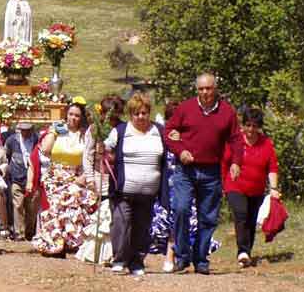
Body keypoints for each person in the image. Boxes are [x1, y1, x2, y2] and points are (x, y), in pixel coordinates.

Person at [165, 73, 243, 275]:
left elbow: (236, 140)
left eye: (208, 88)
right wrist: (180, 150)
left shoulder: (227, 112)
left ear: (215, 88)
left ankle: (201, 259)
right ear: (196, 90)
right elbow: (169, 132)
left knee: (207, 217)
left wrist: (236, 162)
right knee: (181, 209)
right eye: (201, 89)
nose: (205, 93)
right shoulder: (185, 108)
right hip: (186, 170)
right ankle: (182, 257)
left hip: (212, 171)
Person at [150, 99, 221, 272]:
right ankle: (172, 255)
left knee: (189, 218)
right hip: (168, 182)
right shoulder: (162, 136)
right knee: (171, 218)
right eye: (170, 118)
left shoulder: (190, 136)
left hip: (189, 181)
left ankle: (189, 257)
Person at [102, 92, 166, 276]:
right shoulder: (121, 131)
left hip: (148, 192)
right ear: (131, 114)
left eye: (144, 113)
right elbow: (106, 148)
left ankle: (137, 262)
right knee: (121, 225)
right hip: (124, 190)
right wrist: (102, 151)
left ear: (149, 113)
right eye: (137, 113)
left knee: (142, 227)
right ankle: (119, 259)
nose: (141, 117)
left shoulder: (158, 131)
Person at [30, 100, 98, 257]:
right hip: (55, 176)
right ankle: (54, 242)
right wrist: (53, 132)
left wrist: (83, 176)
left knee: (72, 208)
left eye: (77, 115)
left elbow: (90, 158)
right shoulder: (57, 131)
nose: (73, 118)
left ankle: (71, 242)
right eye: (71, 114)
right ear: (66, 115)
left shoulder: (85, 135)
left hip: (75, 176)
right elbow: (45, 150)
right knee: (54, 209)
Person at [221, 106, 280, 268]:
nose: (251, 129)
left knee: (251, 220)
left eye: (254, 126)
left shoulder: (266, 143)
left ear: (259, 126)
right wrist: (221, 184)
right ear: (243, 125)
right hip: (235, 185)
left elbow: (272, 167)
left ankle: (247, 252)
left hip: (256, 189)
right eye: (248, 125)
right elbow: (224, 163)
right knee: (241, 214)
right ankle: (242, 251)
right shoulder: (235, 141)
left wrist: (273, 188)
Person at [75, 95, 124, 265]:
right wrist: (89, 177)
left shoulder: (122, 128)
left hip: (117, 176)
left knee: (114, 213)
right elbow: (87, 156)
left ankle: (114, 252)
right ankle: (97, 252)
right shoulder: (94, 129)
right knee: (103, 213)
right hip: (99, 175)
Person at [4, 121, 38, 241]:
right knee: (17, 204)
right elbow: (7, 155)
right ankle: (19, 232)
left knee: (31, 206)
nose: (25, 132)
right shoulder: (12, 140)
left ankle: (30, 231)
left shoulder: (36, 140)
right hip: (16, 177)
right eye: (23, 129)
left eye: (27, 129)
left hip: (33, 178)